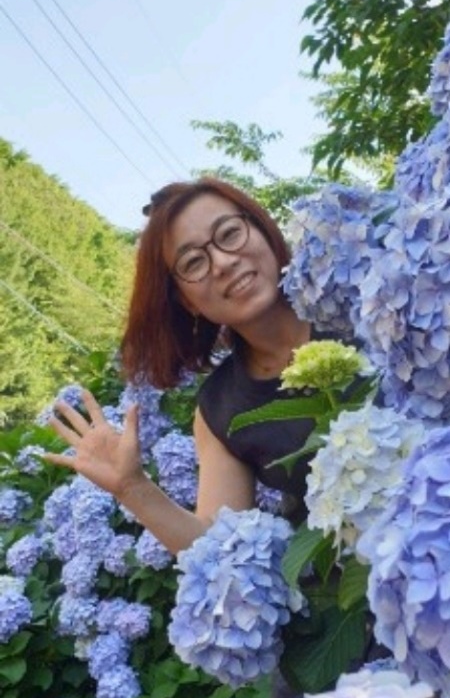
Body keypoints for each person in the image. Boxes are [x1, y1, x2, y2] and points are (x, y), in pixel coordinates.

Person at [45, 177, 323, 554]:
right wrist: (134, 488)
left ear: (263, 230)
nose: (223, 262)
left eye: (229, 234)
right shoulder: (221, 410)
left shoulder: (364, 301)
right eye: (193, 262)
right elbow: (217, 548)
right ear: (187, 301)